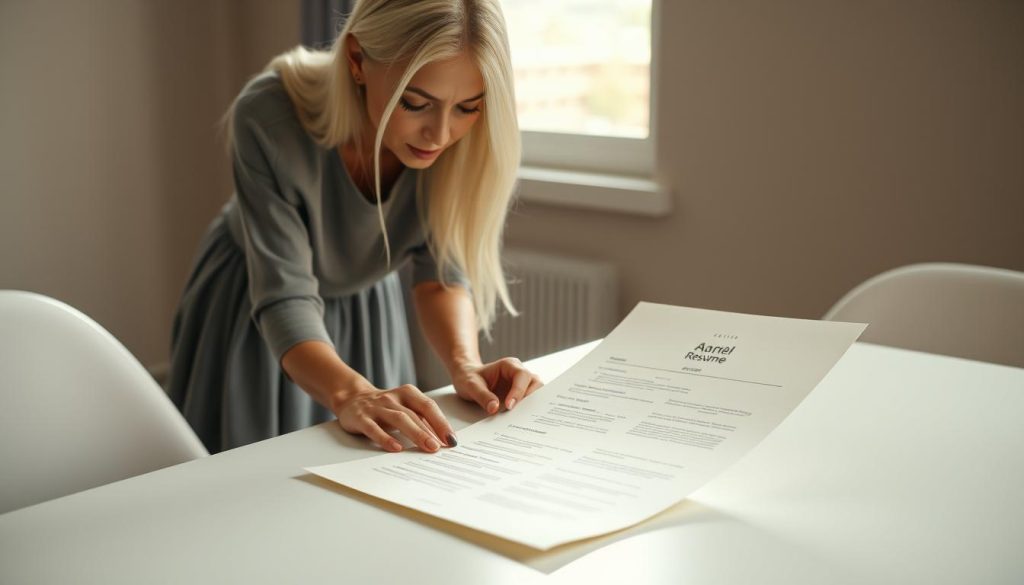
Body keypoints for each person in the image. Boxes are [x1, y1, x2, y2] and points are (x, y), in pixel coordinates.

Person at [166, 0, 542, 454]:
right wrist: (350, 392)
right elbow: (285, 296)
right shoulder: (268, 116)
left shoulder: (461, 145)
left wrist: (465, 365)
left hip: (367, 310)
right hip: (256, 306)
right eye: (416, 103)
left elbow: (440, 275)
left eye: (467, 107)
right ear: (358, 61)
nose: (440, 135)